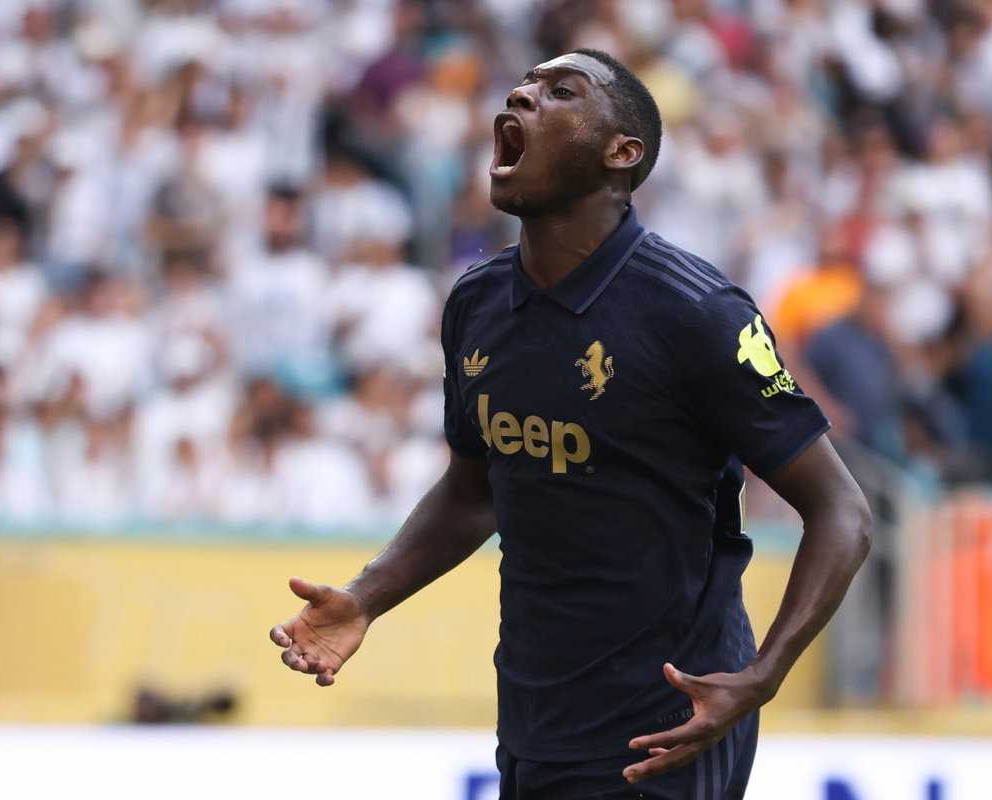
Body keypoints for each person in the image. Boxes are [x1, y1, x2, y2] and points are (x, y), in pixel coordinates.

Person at [270, 48, 872, 798]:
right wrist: (366, 598)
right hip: (533, 727)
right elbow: (471, 491)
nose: (523, 94)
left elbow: (843, 509)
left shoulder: (698, 313)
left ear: (622, 154)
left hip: (669, 731)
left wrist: (760, 677)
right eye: (523, 85)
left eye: (560, 92)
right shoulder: (476, 303)